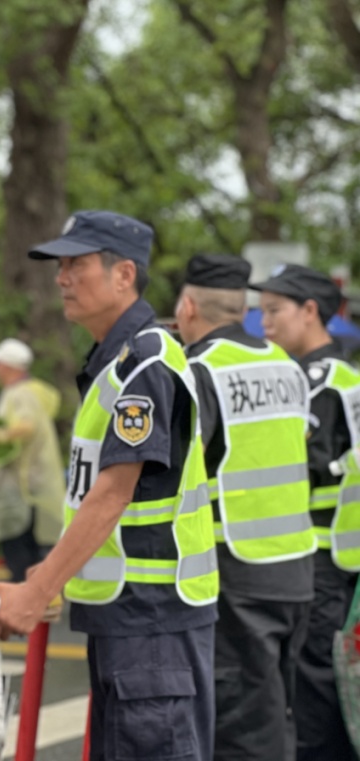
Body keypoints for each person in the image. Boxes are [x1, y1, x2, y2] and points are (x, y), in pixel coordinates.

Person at [0, 210, 218, 761]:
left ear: (124, 275)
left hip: (152, 619)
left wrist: (35, 593)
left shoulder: (144, 363)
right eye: (59, 266)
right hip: (130, 616)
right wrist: (54, 571)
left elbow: (114, 492)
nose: (61, 278)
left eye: (76, 265)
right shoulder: (116, 359)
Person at [176, 254, 315, 761]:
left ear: (188, 307)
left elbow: (177, 474)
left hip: (236, 576)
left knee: (240, 730)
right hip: (297, 569)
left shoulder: (199, 371)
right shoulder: (287, 366)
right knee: (278, 715)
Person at [251, 264, 360, 761]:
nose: (264, 322)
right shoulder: (334, 376)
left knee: (316, 692)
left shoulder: (322, 382)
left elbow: (303, 465)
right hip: (324, 556)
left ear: (311, 312)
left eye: (274, 310)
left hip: (319, 557)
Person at [0, 338, 65, 581]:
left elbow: (27, 426)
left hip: (23, 490)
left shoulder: (20, 393)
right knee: (34, 555)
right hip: (37, 487)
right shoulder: (34, 390)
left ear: (8, 366)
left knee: (21, 559)